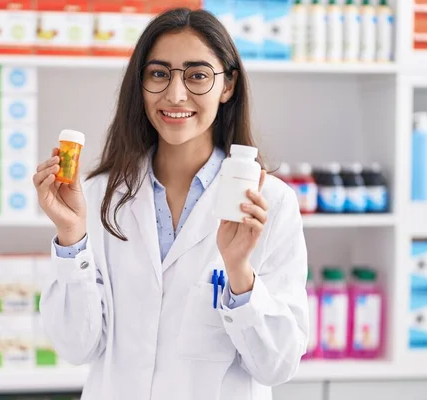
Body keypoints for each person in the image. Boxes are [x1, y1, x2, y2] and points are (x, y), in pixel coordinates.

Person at [32, 7, 309, 400]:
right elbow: (77, 347)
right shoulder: (97, 196)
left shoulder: (271, 204)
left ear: (227, 85)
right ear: (141, 84)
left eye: (197, 75)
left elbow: (277, 366)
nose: (175, 94)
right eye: (159, 74)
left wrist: (239, 274)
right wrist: (72, 236)